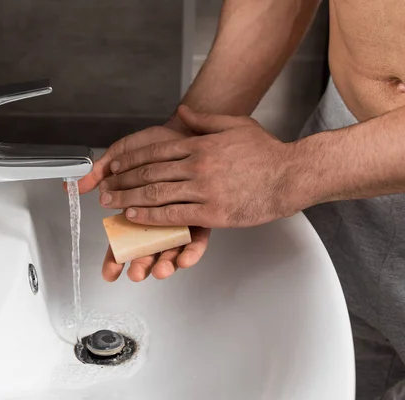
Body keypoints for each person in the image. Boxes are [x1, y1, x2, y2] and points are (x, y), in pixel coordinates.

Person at [76, 1, 405, 399]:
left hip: (318, 167)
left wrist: (288, 173)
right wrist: (194, 128)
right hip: (340, 164)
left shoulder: (295, 172)